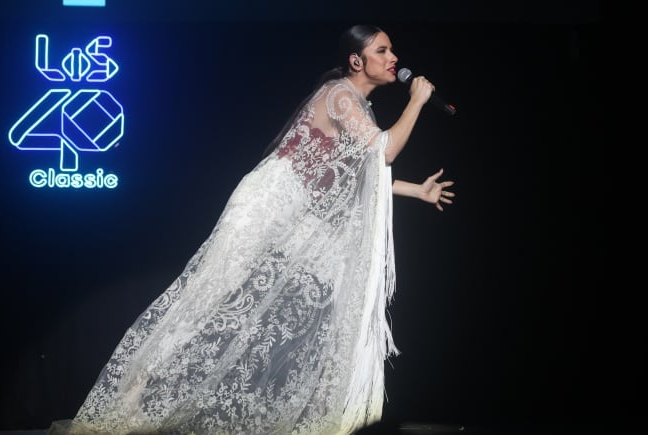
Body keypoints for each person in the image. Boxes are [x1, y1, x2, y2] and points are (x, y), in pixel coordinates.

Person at [48, 24, 455, 435]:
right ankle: (126, 405)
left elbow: (358, 171)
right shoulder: (340, 95)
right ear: (357, 61)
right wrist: (417, 102)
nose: (393, 59)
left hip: (298, 214)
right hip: (266, 205)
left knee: (332, 291)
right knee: (205, 300)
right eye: (382, 51)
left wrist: (415, 190)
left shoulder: (358, 107)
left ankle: (329, 412)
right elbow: (383, 150)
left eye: (391, 52)